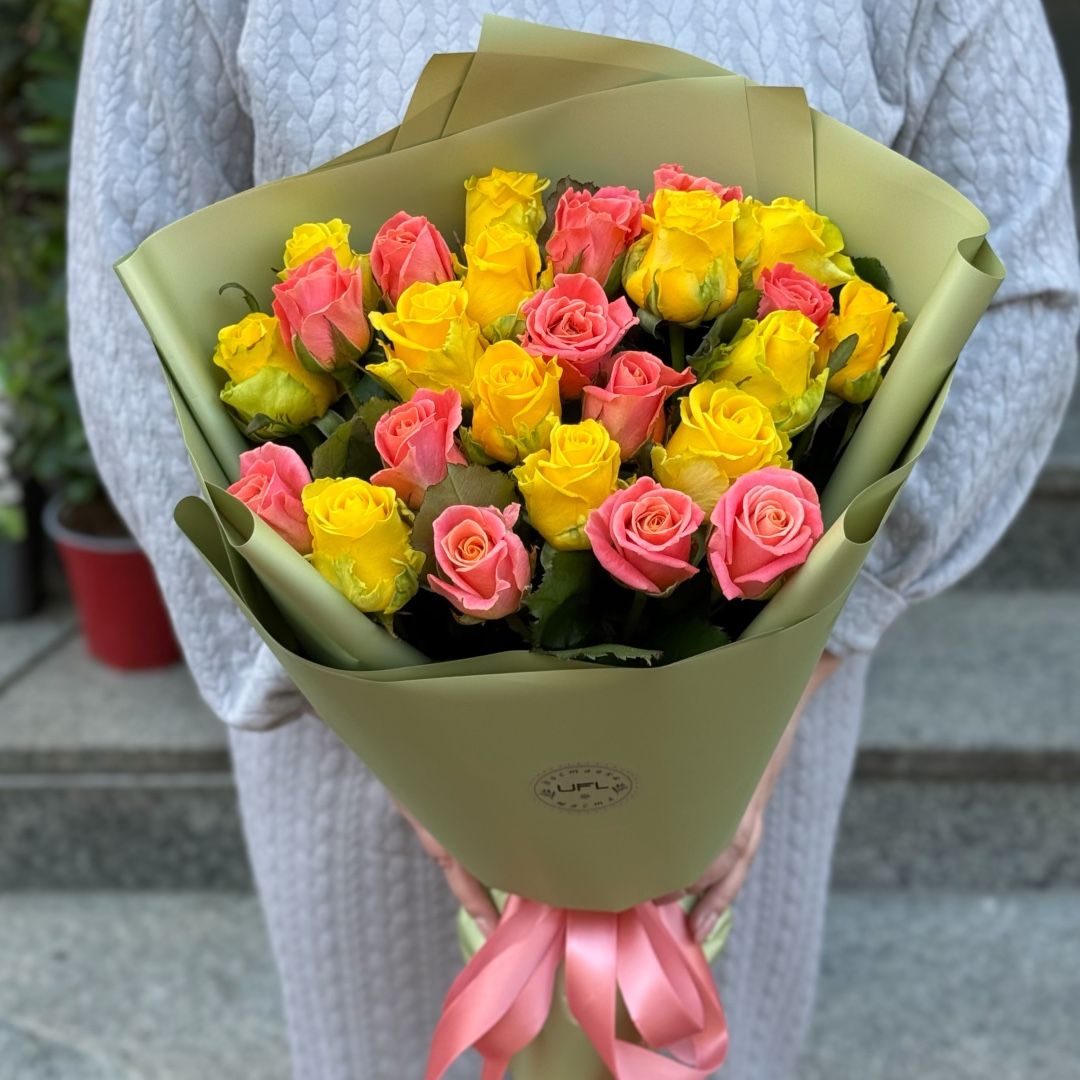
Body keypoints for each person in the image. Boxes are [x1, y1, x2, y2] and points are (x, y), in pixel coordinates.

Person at [68, 1, 1079, 1077]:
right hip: (358, 765)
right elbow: (130, 291)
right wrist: (350, 687)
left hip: (749, 752)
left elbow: (1021, 277)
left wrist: (809, 651)